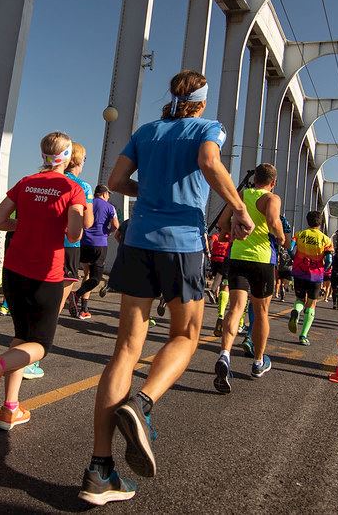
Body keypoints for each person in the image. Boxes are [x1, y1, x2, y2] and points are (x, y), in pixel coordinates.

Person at [79, 70, 253, 506]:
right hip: (182, 244)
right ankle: (142, 404)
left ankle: (100, 470)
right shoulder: (206, 128)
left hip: (138, 241)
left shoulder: (146, 130)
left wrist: (150, 191)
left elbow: (117, 182)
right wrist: (237, 208)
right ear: (202, 100)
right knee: (185, 336)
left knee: (125, 349)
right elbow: (210, 162)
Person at [0, 132, 85, 430]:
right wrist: (76, 216)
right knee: (41, 345)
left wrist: (21, 225)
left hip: (13, 270)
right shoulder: (72, 188)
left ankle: (10, 408)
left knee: (22, 336)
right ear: (68, 156)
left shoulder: (26, 182)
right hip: (44, 275)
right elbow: (74, 233)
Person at [213, 163, 286, 392]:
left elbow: (222, 223)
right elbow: (274, 222)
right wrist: (282, 238)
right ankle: (258, 362)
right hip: (263, 261)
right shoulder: (272, 199)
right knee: (261, 312)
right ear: (272, 183)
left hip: (238, 257)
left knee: (235, 309)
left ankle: (225, 354)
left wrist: (231, 234)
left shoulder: (241, 194)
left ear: (255, 179)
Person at [72, 184, 119, 319]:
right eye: (108, 194)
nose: (109, 196)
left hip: (83, 243)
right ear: (104, 194)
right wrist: (107, 232)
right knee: (96, 279)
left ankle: (84, 309)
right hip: (99, 244)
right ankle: (76, 294)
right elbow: (116, 225)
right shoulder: (110, 207)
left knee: (87, 274)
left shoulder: (88, 203)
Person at [287, 210, 333, 346]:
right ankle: (303, 335)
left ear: (308, 221)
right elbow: (329, 259)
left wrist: (295, 259)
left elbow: (290, 249)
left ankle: (296, 311)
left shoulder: (299, 235)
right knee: (312, 303)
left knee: (300, 299)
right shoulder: (326, 239)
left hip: (299, 272)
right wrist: (323, 270)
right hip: (315, 275)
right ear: (320, 223)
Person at [64, 143, 95, 318]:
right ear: (78, 160)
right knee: (64, 282)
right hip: (70, 242)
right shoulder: (84, 186)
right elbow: (88, 222)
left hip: (45, 240)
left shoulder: (53, 178)